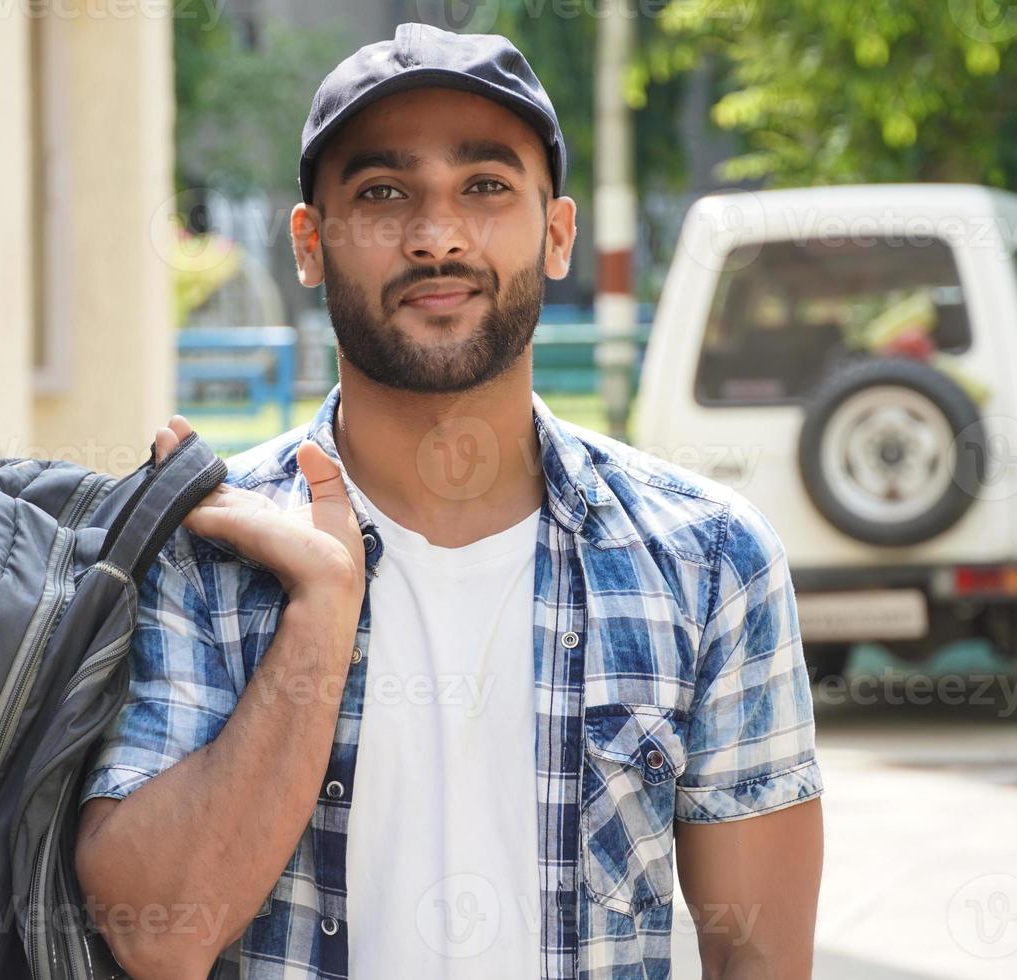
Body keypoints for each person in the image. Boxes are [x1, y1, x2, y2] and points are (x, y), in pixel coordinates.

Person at [75, 23, 823, 980]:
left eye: (486, 187)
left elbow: (756, 955)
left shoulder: (709, 557)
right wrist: (320, 613)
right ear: (311, 244)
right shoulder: (198, 546)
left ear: (556, 234)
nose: (436, 235)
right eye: (382, 193)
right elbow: (159, 933)